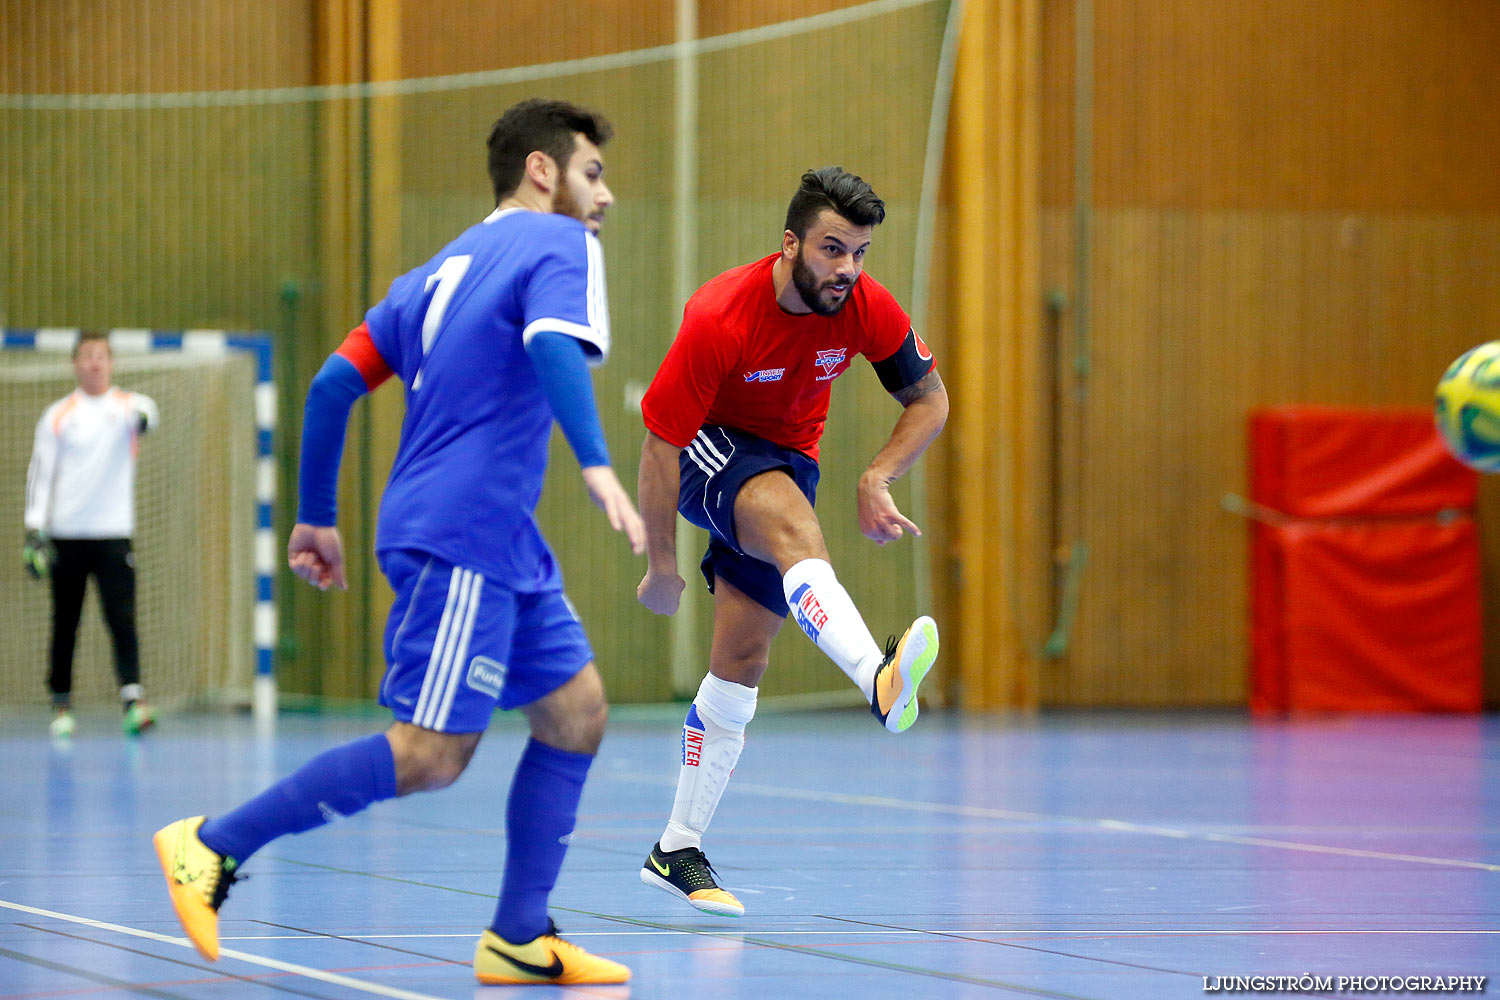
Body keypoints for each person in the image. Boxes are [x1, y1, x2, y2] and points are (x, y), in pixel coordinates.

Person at [152, 98, 643, 986]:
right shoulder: (558, 244)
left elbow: (333, 387)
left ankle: (518, 937)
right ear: (542, 171)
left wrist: (315, 514)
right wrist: (598, 463)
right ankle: (210, 846)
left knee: (576, 713)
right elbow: (551, 346)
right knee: (429, 753)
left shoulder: (429, 274)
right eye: (592, 172)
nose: (604, 196)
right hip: (462, 533)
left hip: (496, 538)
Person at [634, 166, 949, 917]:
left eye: (860, 253)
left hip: (788, 463)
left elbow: (930, 400)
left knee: (741, 663)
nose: (847, 269)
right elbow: (658, 445)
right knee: (793, 526)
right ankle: (879, 679)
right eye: (832, 249)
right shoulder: (721, 316)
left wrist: (878, 474)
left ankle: (676, 847)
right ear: (790, 244)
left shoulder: (863, 307)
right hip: (712, 448)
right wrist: (661, 565)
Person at [23, 331, 160, 739]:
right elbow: (40, 472)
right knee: (65, 621)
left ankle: (133, 701)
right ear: (75, 363)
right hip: (66, 534)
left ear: (111, 362)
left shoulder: (129, 407)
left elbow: (148, 416)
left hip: (114, 534)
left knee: (122, 618)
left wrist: (142, 420)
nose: (94, 363)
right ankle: (61, 703)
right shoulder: (58, 415)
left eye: (101, 356)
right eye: (86, 356)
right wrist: (35, 528)